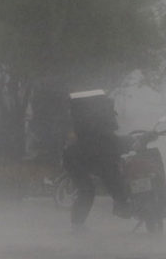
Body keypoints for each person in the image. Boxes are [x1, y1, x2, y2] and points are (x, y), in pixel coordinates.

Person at [62, 89, 131, 227]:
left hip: (87, 159)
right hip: (80, 161)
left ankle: (121, 207)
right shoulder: (98, 132)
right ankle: (77, 224)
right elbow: (114, 143)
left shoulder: (93, 129)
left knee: (108, 180)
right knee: (88, 190)